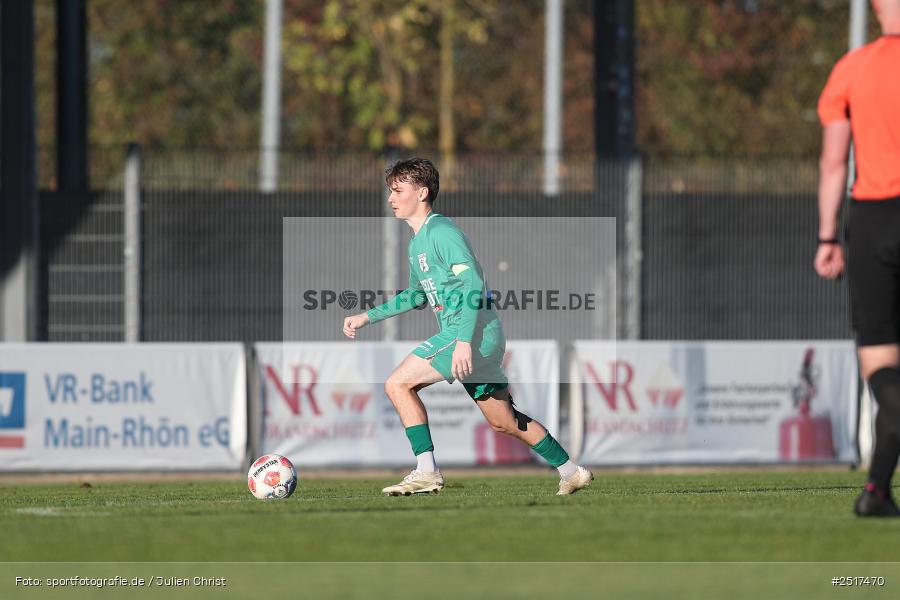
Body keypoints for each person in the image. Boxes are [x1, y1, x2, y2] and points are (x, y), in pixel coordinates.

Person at [342, 157, 593, 496]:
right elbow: (416, 296)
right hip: (478, 334)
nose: (391, 198)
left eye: (398, 190)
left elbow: (474, 283)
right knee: (503, 421)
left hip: (470, 331)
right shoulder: (417, 242)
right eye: (390, 191)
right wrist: (367, 316)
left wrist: (462, 341)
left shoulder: (441, 232)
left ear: (422, 192)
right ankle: (572, 471)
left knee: (397, 384)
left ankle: (426, 471)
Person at [815, 0, 900, 516]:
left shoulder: (852, 67)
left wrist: (827, 238)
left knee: (882, 361)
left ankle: (876, 492)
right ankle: (876, 491)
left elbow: (833, 163)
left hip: (872, 221)